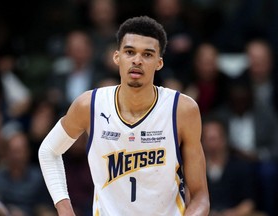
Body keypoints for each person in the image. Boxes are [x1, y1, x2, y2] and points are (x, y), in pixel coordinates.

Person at [39, 16, 209, 216]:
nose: (137, 60)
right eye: (130, 52)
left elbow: (200, 197)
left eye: (147, 54)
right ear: (117, 57)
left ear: (159, 63)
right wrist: (64, 208)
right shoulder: (89, 105)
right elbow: (48, 151)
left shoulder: (182, 109)